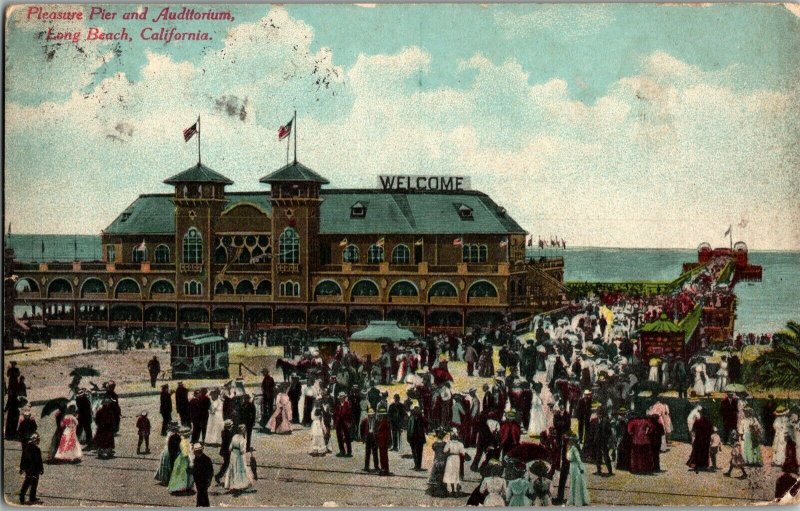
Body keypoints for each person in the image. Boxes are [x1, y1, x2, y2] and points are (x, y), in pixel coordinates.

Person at [224, 425, 254, 492]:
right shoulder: (242, 439)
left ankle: (229, 484)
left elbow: (230, 448)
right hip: (238, 456)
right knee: (239, 469)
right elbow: (242, 450)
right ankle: (238, 484)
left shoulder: (234, 436)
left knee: (232, 468)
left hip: (233, 454)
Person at [19, 433, 44, 505]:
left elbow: (23, 459)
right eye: (37, 440)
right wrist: (41, 469)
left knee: (29, 482)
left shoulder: (26, 448)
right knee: (32, 483)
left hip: (30, 469)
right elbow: (39, 460)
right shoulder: (37, 449)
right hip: (34, 469)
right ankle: (29, 497)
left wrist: (22, 468)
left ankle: (25, 496)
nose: (38, 442)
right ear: (35, 441)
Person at [168, 427, 194, 494]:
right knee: (183, 473)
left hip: (179, 458)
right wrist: (190, 461)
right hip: (183, 459)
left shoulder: (182, 440)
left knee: (178, 473)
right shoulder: (185, 442)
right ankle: (181, 487)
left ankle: (176, 487)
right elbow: (186, 454)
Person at [687, 408, 713, 472]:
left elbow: (693, 429)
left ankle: (697, 465)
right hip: (706, 440)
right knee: (705, 452)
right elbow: (711, 431)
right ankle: (704, 465)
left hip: (699, 439)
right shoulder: (709, 421)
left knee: (697, 452)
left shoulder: (698, 421)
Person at [568, 436, 590, 506]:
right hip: (572, 467)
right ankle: (574, 499)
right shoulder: (571, 448)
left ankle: (577, 500)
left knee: (576, 483)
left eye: (570, 441)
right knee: (573, 483)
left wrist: (581, 468)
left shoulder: (574, 449)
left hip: (575, 467)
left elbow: (578, 459)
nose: (569, 442)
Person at [427, 429, 448, 497]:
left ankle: (434, 490)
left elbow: (433, 448)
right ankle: (442, 491)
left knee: (435, 474)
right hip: (443, 461)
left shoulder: (435, 444)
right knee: (442, 475)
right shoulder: (445, 444)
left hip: (436, 461)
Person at [443, 431, 465, 495]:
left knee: (450, 472)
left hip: (450, 458)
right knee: (456, 473)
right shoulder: (460, 444)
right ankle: (457, 490)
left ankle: (452, 490)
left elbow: (444, 451)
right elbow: (463, 453)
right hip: (457, 458)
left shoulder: (449, 443)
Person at [407, 403, 427, 471]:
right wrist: (408, 437)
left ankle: (418, 466)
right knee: (414, 452)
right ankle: (416, 465)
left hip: (419, 438)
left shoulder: (420, 418)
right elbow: (409, 428)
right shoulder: (411, 417)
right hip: (413, 437)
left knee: (418, 452)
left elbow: (426, 424)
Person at [214, 420, 234, 486]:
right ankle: (219, 476)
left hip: (224, 451)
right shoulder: (228, 434)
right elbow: (229, 443)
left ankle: (220, 476)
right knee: (227, 464)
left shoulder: (224, 432)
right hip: (227, 451)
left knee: (227, 464)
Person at [334, 392, 353, 457]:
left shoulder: (347, 404)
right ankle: (342, 451)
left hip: (345, 422)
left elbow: (349, 414)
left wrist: (349, 423)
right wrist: (335, 421)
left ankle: (349, 452)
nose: (341, 399)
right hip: (339, 423)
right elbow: (335, 413)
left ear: (344, 398)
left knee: (347, 437)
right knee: (339, 437)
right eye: (340, 397)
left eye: (342, 397)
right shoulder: (338, 404)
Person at [361, 408, 380, 472]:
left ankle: (376, 466)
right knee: (367, 452)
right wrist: (363, 437)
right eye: (370, 415)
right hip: (368, 436)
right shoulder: (365, 420)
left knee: (375, 452)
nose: (371, 416)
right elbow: (361, 428)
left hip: (374, 436)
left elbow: (378, 429)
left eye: (372, 415)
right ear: (368, 415)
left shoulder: (376, 421)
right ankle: (366, 467)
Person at [376, 406, 392, 475]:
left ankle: (385, 469)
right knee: (382, 456)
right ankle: (384, 469)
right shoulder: (380, 421)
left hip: (384, 441)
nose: (380, 415)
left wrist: (388, 441)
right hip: (381, 441)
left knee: (384, 456)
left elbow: (388, 433)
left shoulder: (385, 422)